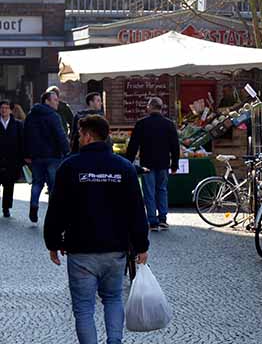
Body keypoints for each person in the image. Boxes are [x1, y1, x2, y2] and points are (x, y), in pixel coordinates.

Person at [44, 114, 149, 344]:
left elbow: (57, 209)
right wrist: (142, 245)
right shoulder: (124, 168)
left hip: (81, 248)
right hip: (115, 248)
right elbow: (136, 210)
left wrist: (52, 241)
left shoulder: (69, 167)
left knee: (83, 308)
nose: (78, 138)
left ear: (89, 136)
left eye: (80, 134)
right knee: (113, 299)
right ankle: (114, 341)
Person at [126, 97, 179, 231]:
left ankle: (153, 221)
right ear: (161, 108)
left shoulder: (142, 123)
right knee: (162, 189)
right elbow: (175, 146)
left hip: (147, 163)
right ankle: (163, 219)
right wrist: (174, 164)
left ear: (149, 107)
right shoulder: (169, 124)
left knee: (149, 192)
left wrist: (128, 162)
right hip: (163, 163)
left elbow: (133, 145)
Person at [24, 90, 71, 223]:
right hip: (53, 156)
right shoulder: (53, 116)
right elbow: (60, 135)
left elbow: (25, 136)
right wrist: (67, 151)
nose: (57, 102)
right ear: (47, 101)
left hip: (36, 157)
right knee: (53, 185)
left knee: (37, 183)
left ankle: (34, 206)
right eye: (55, 100)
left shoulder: (31, 115)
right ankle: (53, 214)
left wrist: (27, 154)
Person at [0, 100, 24, 218]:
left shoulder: (17, 124)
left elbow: (22, 142)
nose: (4, 110)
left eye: (6, 108)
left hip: (12, 159)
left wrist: (23, 158)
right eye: (2, 108)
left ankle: (6, 208)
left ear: (10, 110)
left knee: (9, 185)